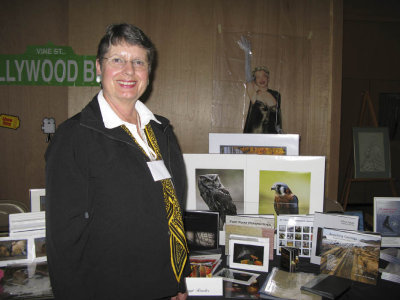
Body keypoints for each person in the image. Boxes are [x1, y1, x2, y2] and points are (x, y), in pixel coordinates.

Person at [45, 23, 190, 300]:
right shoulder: (73, 137)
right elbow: (63, 239)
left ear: (148, 71)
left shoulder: (162, 131)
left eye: (138, 61)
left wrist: (178, 281)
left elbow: (174, 215)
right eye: (117, 60)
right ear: (99, 68)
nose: (129, 71)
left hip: (163, 286)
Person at [238, 36, 283, 134]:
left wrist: (280, 132)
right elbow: (248, 77)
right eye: (258, 77)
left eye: (264, 76)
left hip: (271, 136)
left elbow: (277, 116)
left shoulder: (276, 94)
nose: (261, 79)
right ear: (255, 80)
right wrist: (247, 53)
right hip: (253, 135)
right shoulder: (254, 93)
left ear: (268, 78)